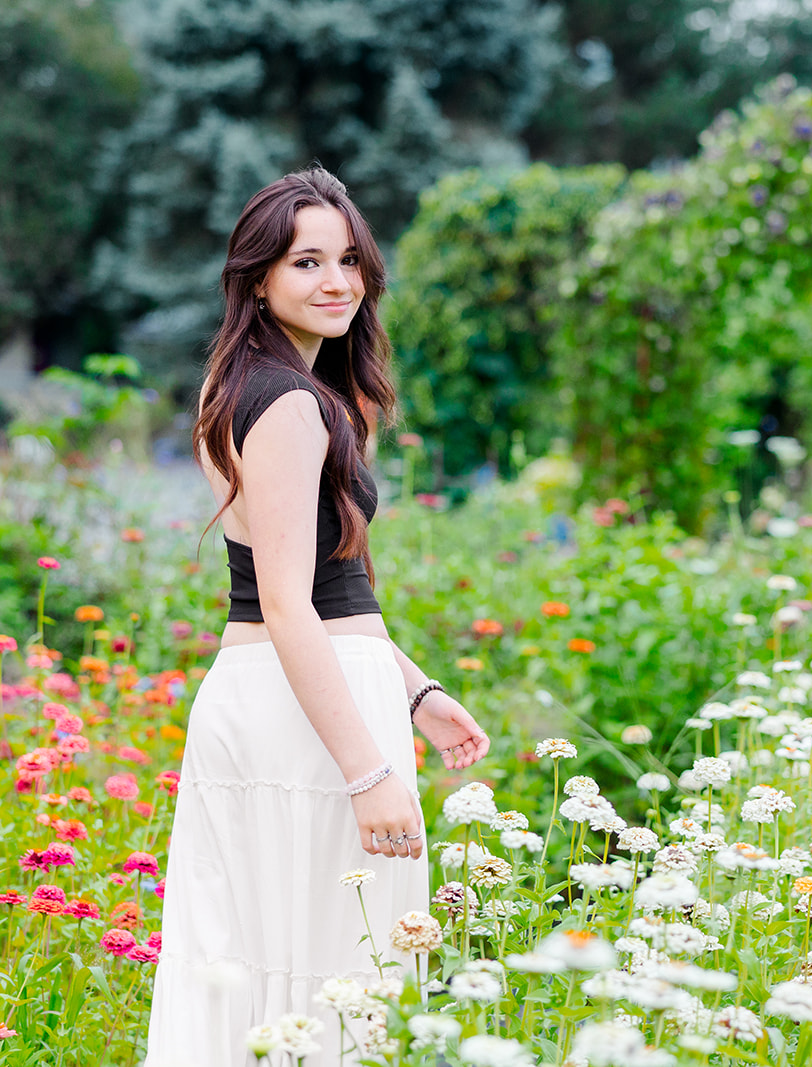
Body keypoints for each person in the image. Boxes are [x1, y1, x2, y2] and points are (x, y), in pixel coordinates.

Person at [144, 167, 490, 1065]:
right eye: (307, 261)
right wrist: (369, 769)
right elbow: (289, 602)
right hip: (305, 720)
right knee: (337, 980)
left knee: (260, 970)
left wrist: (418, 693)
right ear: (258, 277)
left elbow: (328, 591)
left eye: (350, 260)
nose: (338, 281)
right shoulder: (291, 403)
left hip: (282, 696)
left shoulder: (247, 383)